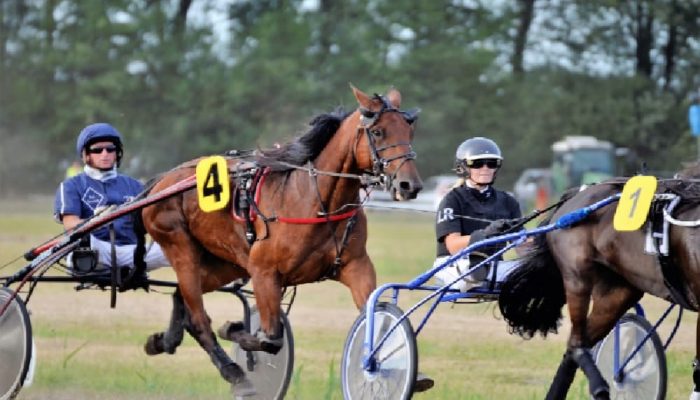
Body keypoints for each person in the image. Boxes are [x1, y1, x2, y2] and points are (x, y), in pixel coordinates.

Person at [53, 122, 169, 275]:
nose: (105, 154)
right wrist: (97, 221)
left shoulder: (136, 186)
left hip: (133, 252)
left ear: (117, 153)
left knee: (180, 247)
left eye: (110, 149)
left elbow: (154, 223)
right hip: (95, 252)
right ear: (86, 155)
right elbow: (70, 225)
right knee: (84, 242)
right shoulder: (71, 186)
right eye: (97, 150)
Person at [432, 137, 522, 291]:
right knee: (474, 271)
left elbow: (522, 247)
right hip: (454, 265)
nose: (485, 168)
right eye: (477, 163)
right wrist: (485, 234)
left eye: (491, 163)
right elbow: (453, 246)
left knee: (536, 271)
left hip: (493, 266)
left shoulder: (508, 201)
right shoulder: (452, 199)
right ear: (463, 167)